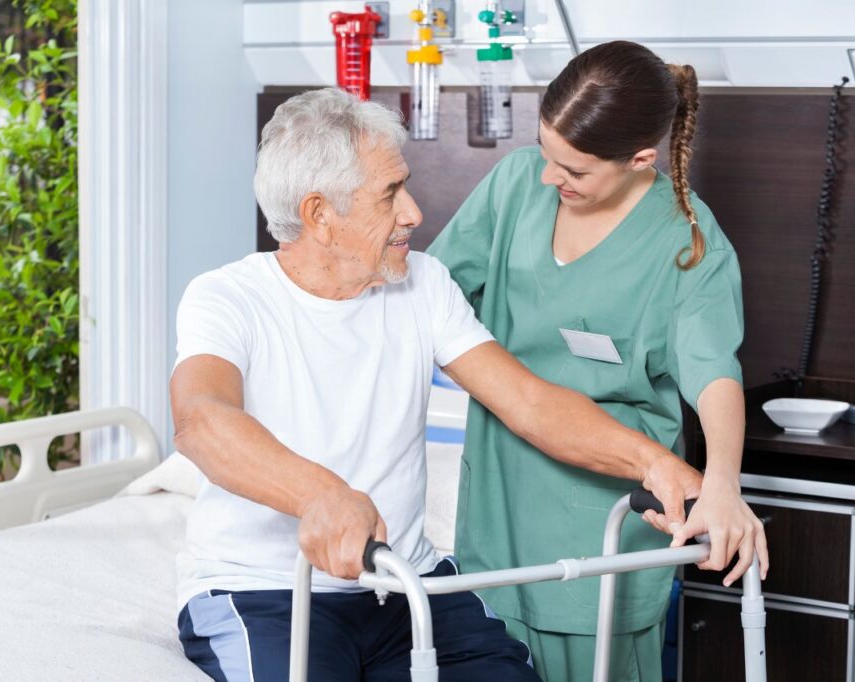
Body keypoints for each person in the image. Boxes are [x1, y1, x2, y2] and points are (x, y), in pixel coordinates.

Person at [170, 87, 707, 681]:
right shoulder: (227, 298)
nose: (414, 213)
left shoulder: (422, 284)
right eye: (390, 194)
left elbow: (528, 402)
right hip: (266, 593)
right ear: (321, 215)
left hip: (408, 584)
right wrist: (319, 495)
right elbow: (201, 419)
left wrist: (656, 464)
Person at [427, 41, 770, 681]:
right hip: (500, 502)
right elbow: (429, 296)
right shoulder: (513, 187)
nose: (549, 179)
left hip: (605, 516)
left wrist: (723, 480)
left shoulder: (687, 241)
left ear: (640, 160)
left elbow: (712, 370)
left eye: (575, 171)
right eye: (546, 154)